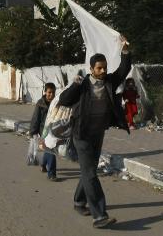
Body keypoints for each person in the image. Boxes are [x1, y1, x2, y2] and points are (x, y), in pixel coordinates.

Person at [58, 37, 131, 229]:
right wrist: (74, 85)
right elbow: (64, 100)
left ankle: (79, 202)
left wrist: (125, 51)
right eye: (99, 68)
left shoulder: (109, 81)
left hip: (98, 133)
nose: (103, 71)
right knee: (90, 172)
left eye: (105, 67)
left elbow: (123, 70)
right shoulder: (82, 84)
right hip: (81, 133)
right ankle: (99, 215)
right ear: (92, 69)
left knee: (88, 169)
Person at [29, 83, 57, 180]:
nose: (51, 95)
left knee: (48, 149)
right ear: (45, 92)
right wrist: (33, 132)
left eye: (53, 92)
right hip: (43, 131)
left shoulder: (57, 102)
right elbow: (35, 118)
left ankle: (43, 165)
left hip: (54, 130)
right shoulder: (40, 103)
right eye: (49, 92)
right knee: (51, 150)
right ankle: (52, 174)